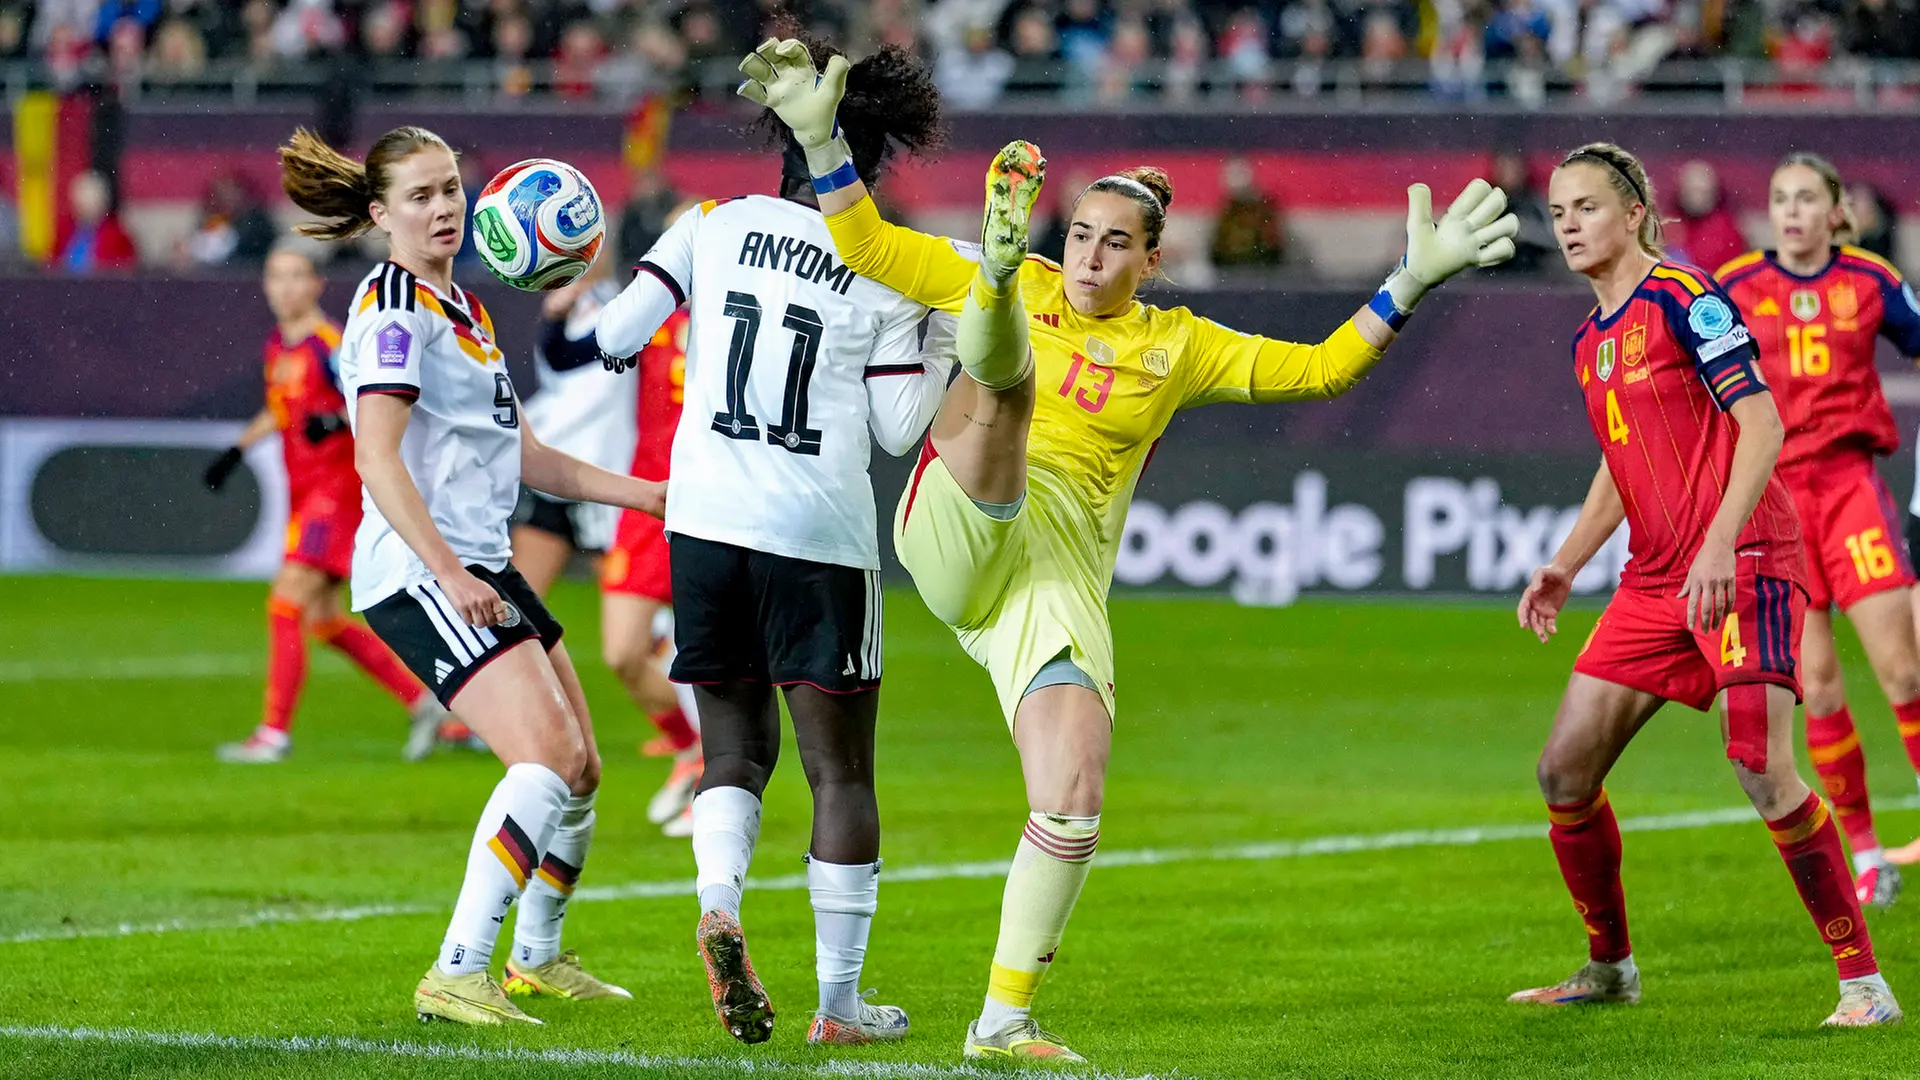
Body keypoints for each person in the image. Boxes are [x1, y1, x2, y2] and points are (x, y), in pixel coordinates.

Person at [742, 36, 1518, 1061]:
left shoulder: (1178, 345)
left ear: (1154, 260)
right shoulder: (1020, 276)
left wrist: (1410, 281)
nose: (1092, 257)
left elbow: (1324, 370)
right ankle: (992, 303)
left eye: (1116, 244)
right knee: (1006, 387)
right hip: (957, 510)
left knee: (1072, 795)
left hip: (1053, 574)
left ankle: (1002, 1020)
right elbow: (869, 245)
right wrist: (821, 144)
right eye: (1079, 235)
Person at [597, 36, 952, 1048]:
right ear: (872, 161)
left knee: (733, 752)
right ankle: (839, 1007)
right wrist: (942, 336)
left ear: (782, 145)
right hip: (817, 530)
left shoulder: (709, 224)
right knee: (838, 774)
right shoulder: (888, 266)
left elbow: (616, 337)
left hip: (705, 519)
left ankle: (719, 904)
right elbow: (896, 430)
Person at [278, 124, 665, 1025]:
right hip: (424, 571)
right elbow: (376, 458)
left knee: (582, 769)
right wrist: (450, 574)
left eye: (450, 188)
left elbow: (531, 456)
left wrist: (647, 495)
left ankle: (536, 957)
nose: (443, 207)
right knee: (548, 758)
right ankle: (456, 970)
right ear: (381, 215)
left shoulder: (466, 311)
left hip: (480, 562)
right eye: (419, 196)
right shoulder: (394, 310)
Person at [1512, 142, 1898, 1027]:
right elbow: (1619, 464)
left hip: (1745, 557)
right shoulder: (1589, 341)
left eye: (1587, 208)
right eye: (1559, 212)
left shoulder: (1686, 298)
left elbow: (1761, 425)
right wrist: (1567, 563)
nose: (1568, 226)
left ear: (1635, 214)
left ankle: (1864, 985)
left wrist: (1721, 542)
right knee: (1563, 772)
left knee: (1759, 763)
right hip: (1656, 579)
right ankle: (1610, 968)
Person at [1716, 152, 1920, 905]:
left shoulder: (1871, 280)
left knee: (1904, 672)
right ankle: (1867, 855)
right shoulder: (1735, 287)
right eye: (1780, 199)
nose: (1792, 212)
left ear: (1838, 213)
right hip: (1777, 502)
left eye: (1807, 199)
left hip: (1848, 488)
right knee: (1822, 689)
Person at [207, 243, 452, 765]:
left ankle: (273, 734)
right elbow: (282, 410)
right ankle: (427, 704)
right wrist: (237, 450)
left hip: (336, 493)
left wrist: (338, 421)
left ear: (317, 284)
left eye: (296, 276)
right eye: (275, 277)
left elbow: (379, 402)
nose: (284, 287)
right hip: (304, 493)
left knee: (285, 602)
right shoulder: (279, 345)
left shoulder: (331, 345)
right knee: (323, 620)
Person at [596, 218, 708, 838]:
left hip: (712, 502)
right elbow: (580, 351)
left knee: (710, 656)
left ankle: (719, 782)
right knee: (621, 650)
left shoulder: (743, 312)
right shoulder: (648, 319)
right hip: (646, 500)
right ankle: (689, 750)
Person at [508, 264, 637, 596]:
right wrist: (554, 320)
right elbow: (560, 361)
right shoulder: (566, 302)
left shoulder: (633, 303)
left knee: (632, 602)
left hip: (607, 475)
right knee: (520, 603)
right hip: (557, 466)